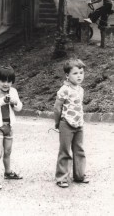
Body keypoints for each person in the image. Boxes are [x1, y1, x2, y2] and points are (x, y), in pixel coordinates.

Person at [54, 58, 89, 188]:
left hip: (79, 124)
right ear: (67, 75)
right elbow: (57, 108)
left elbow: (78, 107)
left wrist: (80, 121)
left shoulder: (81, 89)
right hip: (66, 124)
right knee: (65, 151)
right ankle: (62, 177)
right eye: (75, 73)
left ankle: (79, 175)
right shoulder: (64, 89)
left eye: (81, 72)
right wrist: (57, 123)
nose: (79, 75)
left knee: (79, 150)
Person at [0, 66, 23, 190]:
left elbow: (19, 108)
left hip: (9, 125)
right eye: (3, 81)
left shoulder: (13, 91)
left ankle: (8, 172)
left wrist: (14, 102)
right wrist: (3, 100)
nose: (6, 84)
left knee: (7, 152)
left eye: (9, 81)